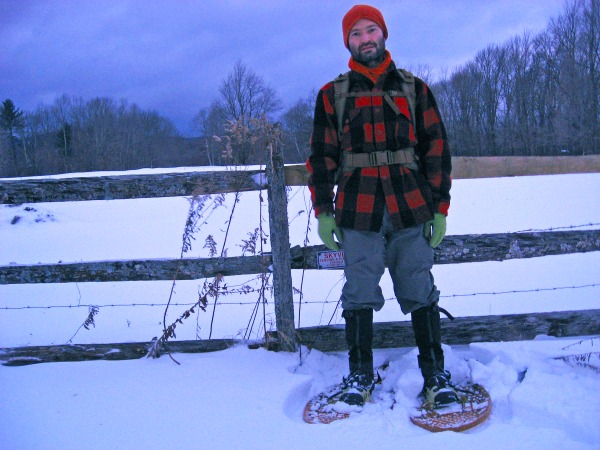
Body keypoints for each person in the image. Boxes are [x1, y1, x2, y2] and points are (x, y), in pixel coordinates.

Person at [306, 4, 457, 407]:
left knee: (419, 287)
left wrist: (440, 209)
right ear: (348, 42)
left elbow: (437, 152)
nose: (365, 39)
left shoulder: (414, 89)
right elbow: (321, 159)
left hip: (411, 208)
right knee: (358, 290)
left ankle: (435, 375)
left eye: (371, 30)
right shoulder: (332, 95)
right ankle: (359, 376)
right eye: (356, 34)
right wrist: (323, 211)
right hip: (359, 211)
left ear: (384, 34)